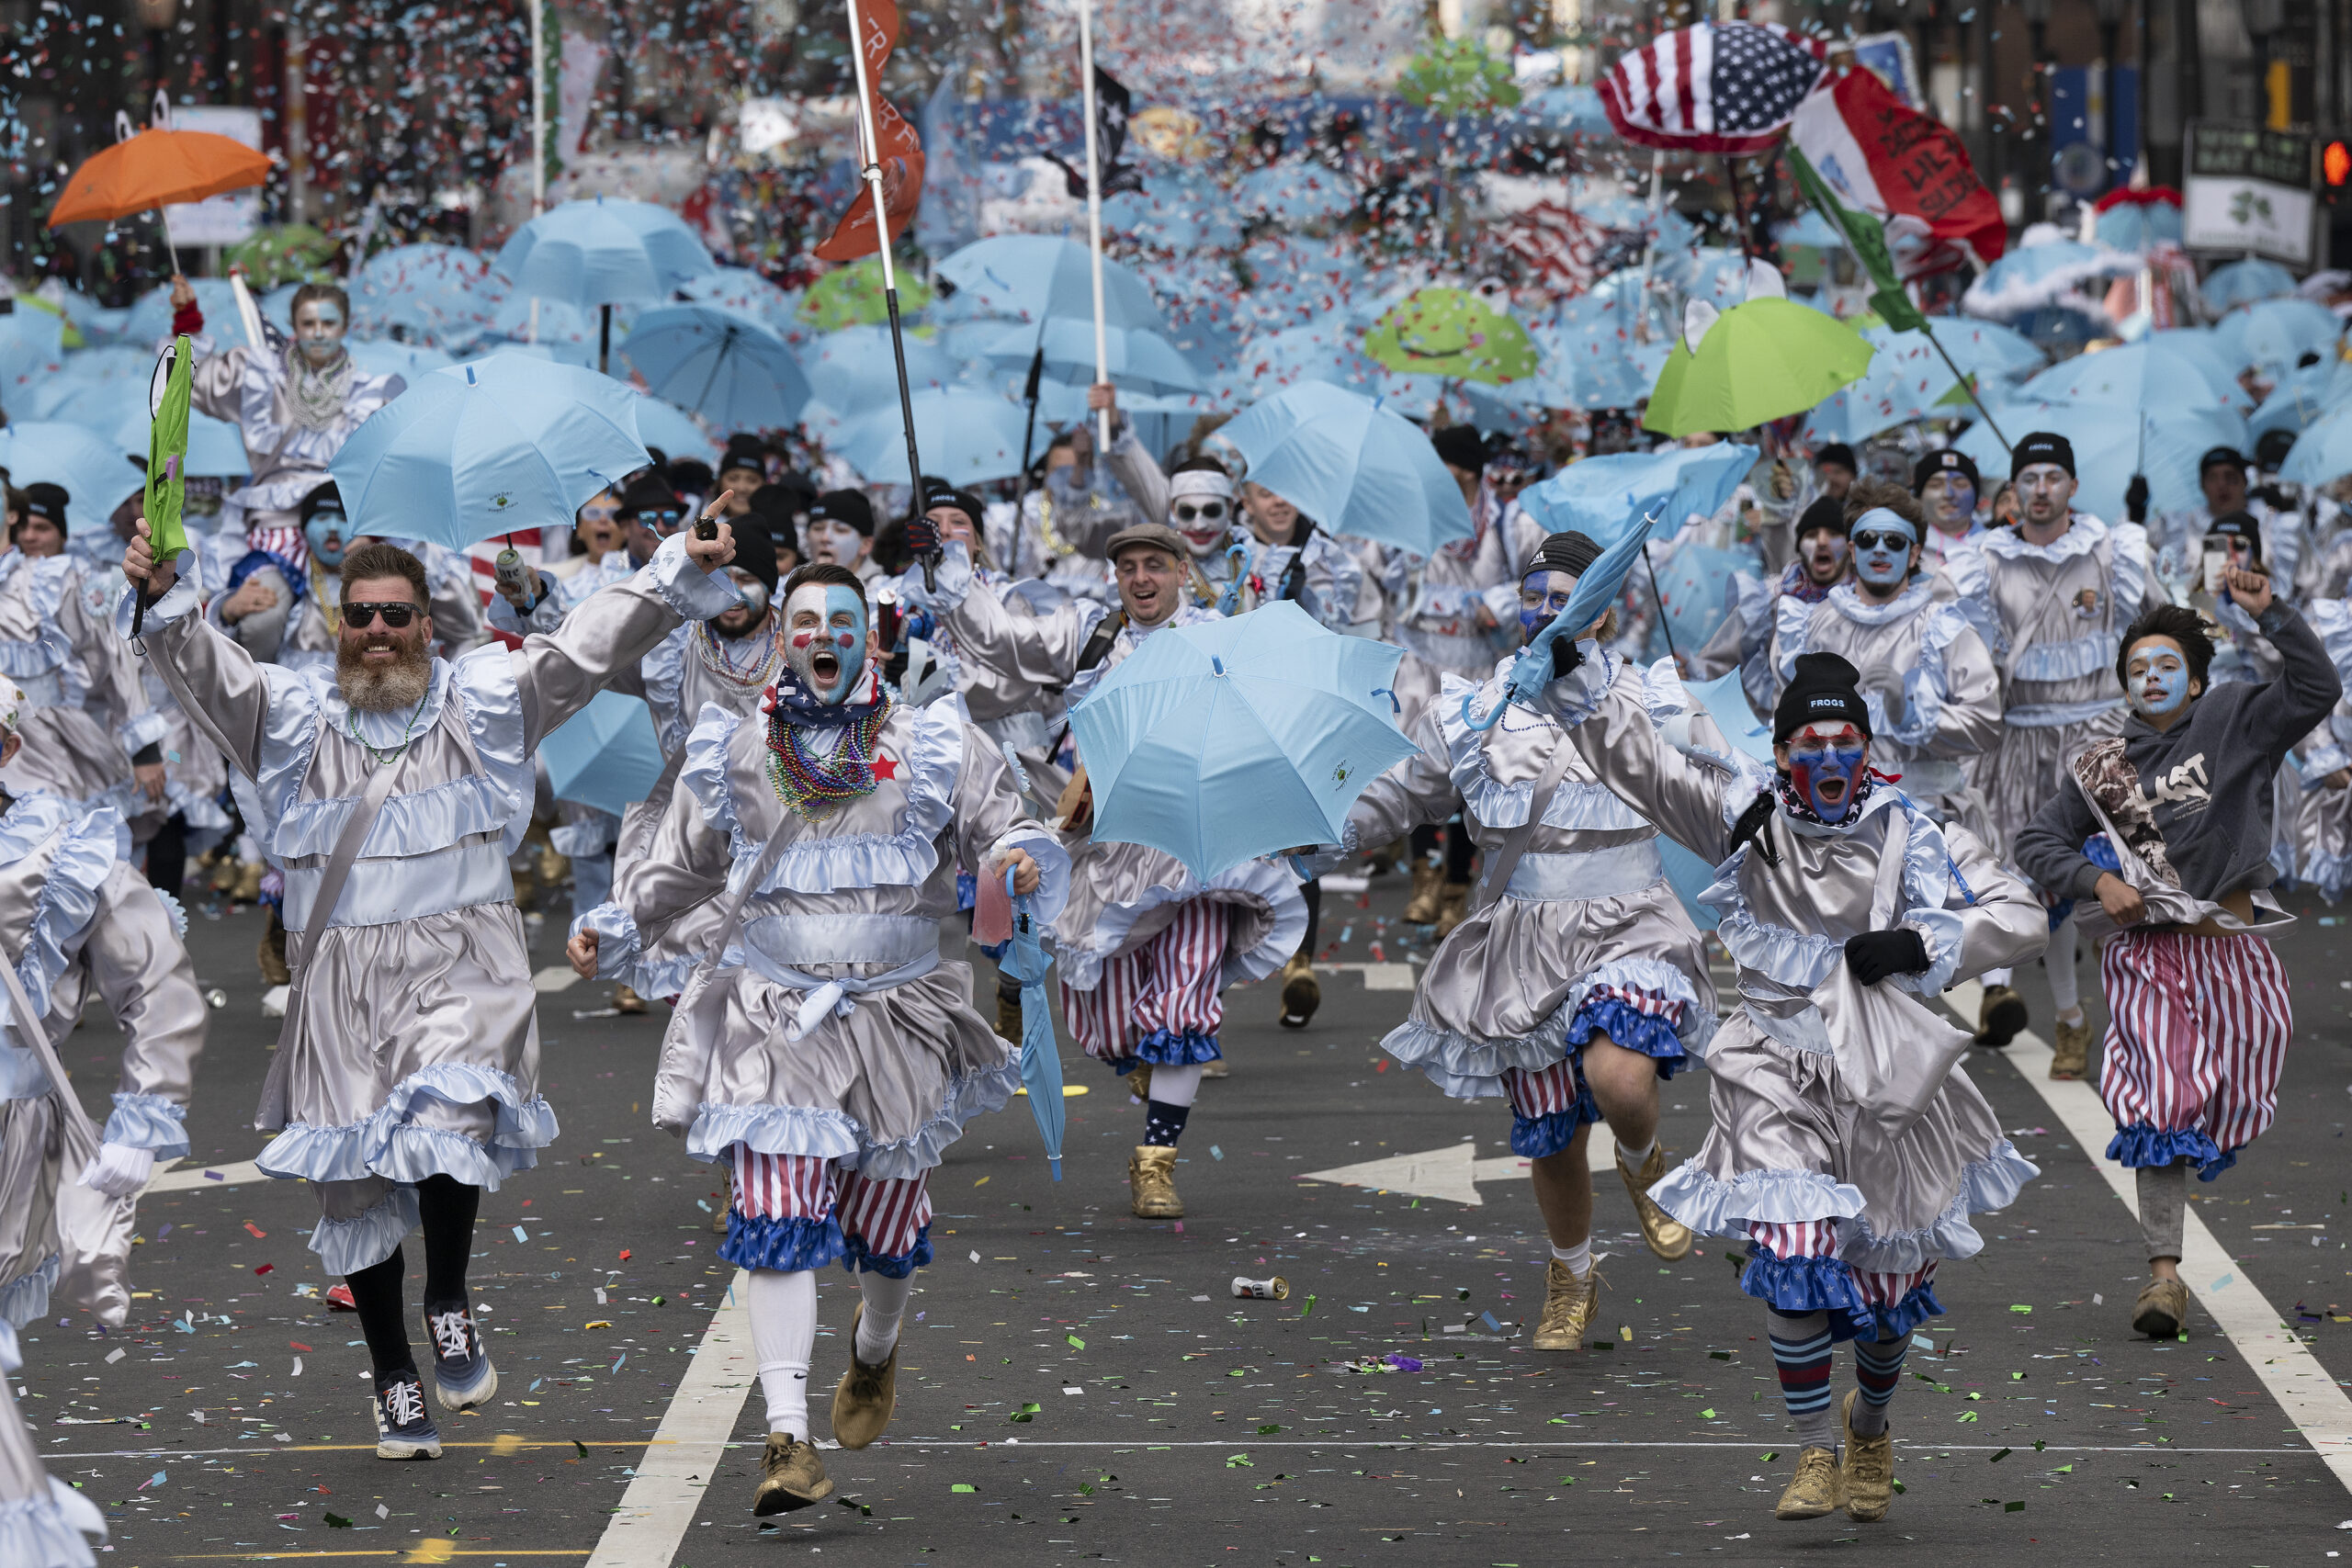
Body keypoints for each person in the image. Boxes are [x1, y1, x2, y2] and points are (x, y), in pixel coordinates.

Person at [119, 512, 740, 1461]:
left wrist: (670, 569)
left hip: (462, 960)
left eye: (396, 617)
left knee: (453, 1121)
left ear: (426, 626)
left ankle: (446, 1295)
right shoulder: (288, 720)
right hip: (342, 976)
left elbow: (581, 648)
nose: (377, 633)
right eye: (361, 617)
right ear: (340, 628)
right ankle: (392, 1371)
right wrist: (163, 593)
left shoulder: (486, 700)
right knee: (354, 1182)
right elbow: (206, 669)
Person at [566, 560, 1067, 1515]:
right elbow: (676, 872)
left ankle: (874, 1352)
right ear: (785, 639)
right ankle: (786, 1438)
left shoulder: (934, 744)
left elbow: (1002, 841)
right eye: (804, 621)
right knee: (778, 1213)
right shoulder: (734, 748)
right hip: (774, 1015)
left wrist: (1024, 863)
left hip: (896, 1015)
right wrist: (614, 927)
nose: (822, 635)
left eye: (841, 620)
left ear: (867, 638)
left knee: (883, 1234)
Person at [1534, 637, 2044, 1523]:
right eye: (1807, 746)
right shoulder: (1744, 822)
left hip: (1884, 1080)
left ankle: (1869, 1425)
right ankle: (1812, 1448)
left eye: (1844, 739)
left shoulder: (1913, 832)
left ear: (1866, 748)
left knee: (1886, 1304)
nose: (1828, 758)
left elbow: (2019, 910)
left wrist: (1925, 943)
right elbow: (1643, 766)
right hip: (1771, 1069)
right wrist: (1577, 676)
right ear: (1780, 756)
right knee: (1796, 1246)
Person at [1323, 531, 1715, 1350]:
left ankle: (1644, 1160)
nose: (1544, 610)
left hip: (1632, 918)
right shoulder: (1472, 709)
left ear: (1600, 610)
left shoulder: (1654, 698)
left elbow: (1729, 795)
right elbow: (1403, 797)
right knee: (1555, 1131)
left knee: (1620, 1076)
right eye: (1533, 594)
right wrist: (1323, 831)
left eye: (1564, 594)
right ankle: (1571, 1274)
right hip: (1525, 938)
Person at [905, 522, 1306, 1215]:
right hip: (1111, 847)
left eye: (1156, 565)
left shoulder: (1220, 637)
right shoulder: (1093, 635)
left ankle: (1156, 1160)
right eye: (1129, 568)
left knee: (1184, 1000)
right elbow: (1001, 640)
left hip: (1200, 846)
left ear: (1184, 571)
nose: (1142, 578)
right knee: (1107, 1025)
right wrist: (951, 568)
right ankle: (1148, 1065)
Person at [2014, 581, 2338, 1339]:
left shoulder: (2237, 718)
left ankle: (2203, 1136)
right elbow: (2036, 841)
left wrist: (2269, 612)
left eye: (2166, 664)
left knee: (2230, 1098)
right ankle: (2163, 1278)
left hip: (2235, 957)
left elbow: (2318, 686)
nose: (2150, 676)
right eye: (2136, 666)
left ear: (2195, 679)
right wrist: (2098, 880)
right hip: (2149, 958)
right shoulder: (2099, 764)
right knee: (2160, 1103)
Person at [1945, 432, 2159, 1070]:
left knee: (2097, 879)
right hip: (2015, 739)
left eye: (2052, 476)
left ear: (2071, 485)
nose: (2041, 489)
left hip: (2097, 738)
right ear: (2013, 490)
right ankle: (2036, 1005)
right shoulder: (1981, 562)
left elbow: (2159, 627)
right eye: (2029, 477)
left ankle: (2098, 1017)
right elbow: (1956, 652)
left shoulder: (2110, 551)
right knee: (2024, 876)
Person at [1770, 482, 2001, 847]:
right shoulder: (1811, 624)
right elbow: (1784, 724)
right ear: (1852, 549)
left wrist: (1909, 709)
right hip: (1834, 826)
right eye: (1867, 538)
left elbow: (1986, 724)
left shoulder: (1945, 626)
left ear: (1914, 554)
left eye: (1894, 541)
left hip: (1929, 820)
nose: (1879, 548)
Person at [171, 277, 404, 540]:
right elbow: (192, 381)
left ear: (344, 328)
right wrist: (187, 319)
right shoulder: (262, 378)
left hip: (346, 529)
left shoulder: (369, 394)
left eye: (328, 323)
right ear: (294, 327)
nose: (318, 333)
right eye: (308, 323)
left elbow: (391, 475)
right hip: (274, 524)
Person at [0, 484, 169, 836]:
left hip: (37, 747)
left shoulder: (51, 579)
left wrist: (144, 749)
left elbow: (111, 655)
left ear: (11, 512)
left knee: (43, 852)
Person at [1913, 449, 1984, 573]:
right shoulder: (1907, 551)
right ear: (1919, 498)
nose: (1948, 494)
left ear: (1976, 495)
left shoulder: (1998, 547)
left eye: (1960, 484)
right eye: (1935, 485)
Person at [807, 490, 880, 582]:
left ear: (866, 544)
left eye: (840, 530)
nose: (825, 538)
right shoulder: (787, 588)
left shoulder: (884, 593)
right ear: (807, 537)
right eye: (818, 528)